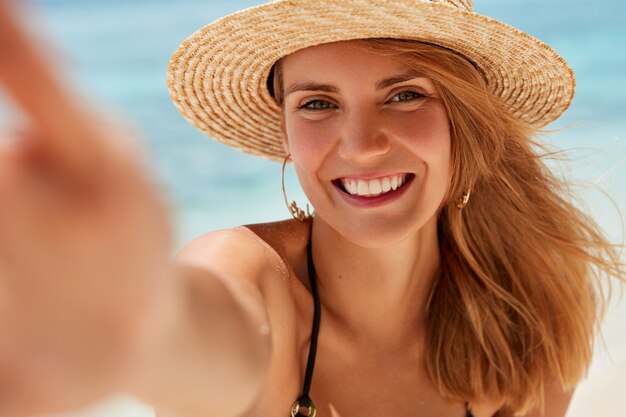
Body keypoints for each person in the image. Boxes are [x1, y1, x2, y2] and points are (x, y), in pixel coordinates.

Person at [0, 1, 623, 417]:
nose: (361, 144)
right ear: (287, 134)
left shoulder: (524, 319)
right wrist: (134, 329)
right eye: (318, 104)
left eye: (404, 95)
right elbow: (198, 330)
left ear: (467, 125)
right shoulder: (251, 278)